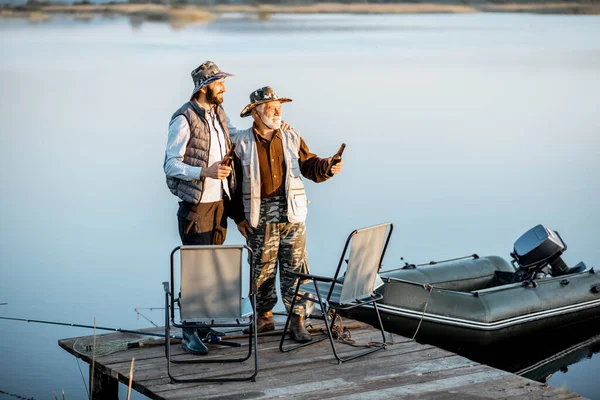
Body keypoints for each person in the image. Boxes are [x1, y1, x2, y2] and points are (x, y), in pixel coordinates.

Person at [230, 86, 343, 343]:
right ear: (256, 113)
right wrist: (237, 217)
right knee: (261, 268)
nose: (277, 111)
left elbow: (310, 165)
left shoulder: (291, 136)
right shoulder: (240, 143)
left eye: (279, 107)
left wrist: (328, 166)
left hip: (293, 213)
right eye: (271, 108)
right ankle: (264, 317)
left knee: (297, 267)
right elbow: (232, 185)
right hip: (258, 215)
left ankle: (297, 320)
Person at [163, 61, 236, 355]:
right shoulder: (183, 118)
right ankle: (189, 332)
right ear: (205, 87)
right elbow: (170, 164)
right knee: (195, 272)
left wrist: (265, 125)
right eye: (219, 83)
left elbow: (235, 136)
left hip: (218, 204)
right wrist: (204, 172)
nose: (224, 88)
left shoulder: (217, 113)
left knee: (211, 271)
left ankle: (204, 325)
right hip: (196, 208)